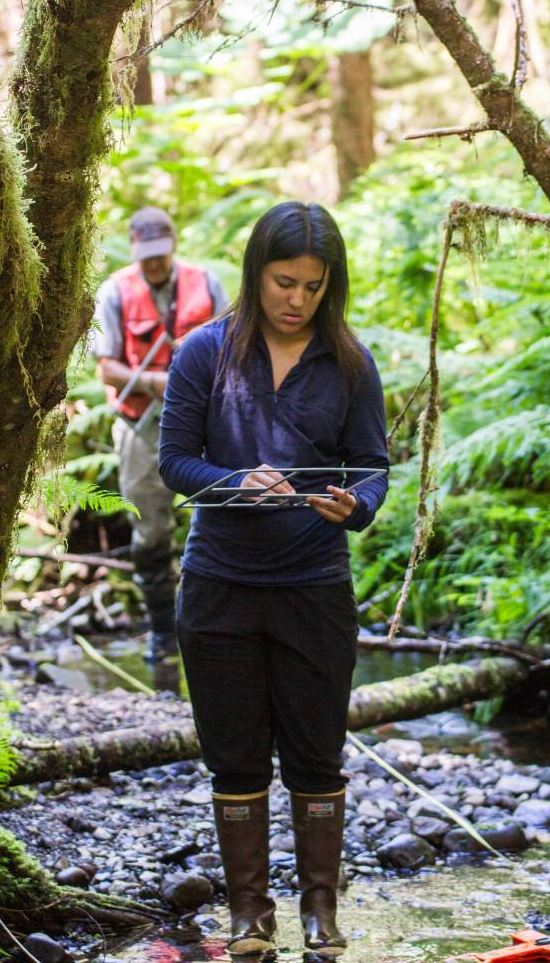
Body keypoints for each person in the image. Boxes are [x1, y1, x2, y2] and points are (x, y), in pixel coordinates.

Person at [158, 201, 389, 957]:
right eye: (284, 281)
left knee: (317, 751)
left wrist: (356, 507)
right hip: (219, 583)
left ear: (332, 287)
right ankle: (250, 917)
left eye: (315, 287)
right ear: (256, 272)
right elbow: (175, 463)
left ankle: (320, 915)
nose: (297, 299)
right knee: (234, 754)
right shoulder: (204, 353)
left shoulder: (351, 363)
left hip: (314, 585)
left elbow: (374, 468)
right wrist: (231, 483)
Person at [92, 207, 228, 662]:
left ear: (173, 245)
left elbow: (234, 346)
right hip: (140, 424)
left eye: (161, 254)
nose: (154, 264)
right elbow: (107, 369)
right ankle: (162, 634)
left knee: (223, 518)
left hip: (208, 422)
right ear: (133, 249)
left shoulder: (205, 283)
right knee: (150, 532)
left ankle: (218, 625)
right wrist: (153, 381)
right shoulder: (115, 292)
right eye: (146, 255)